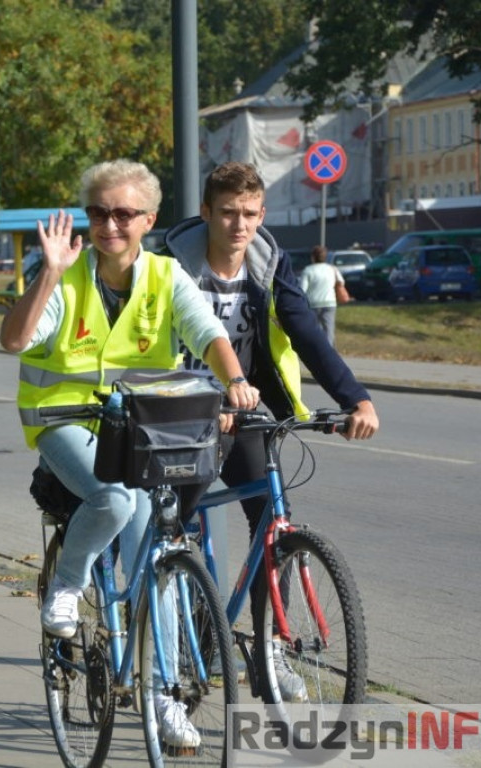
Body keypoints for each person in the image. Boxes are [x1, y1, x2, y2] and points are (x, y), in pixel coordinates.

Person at [0, 160, 259, 747]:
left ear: (148, 220)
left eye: (123, 213)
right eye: (98, 212)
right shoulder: (66, 276)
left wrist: (237, 381)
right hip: (61, 420)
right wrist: (48, 273)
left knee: (155, 562)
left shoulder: (165, 275)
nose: (109, 224)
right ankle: (68, 585)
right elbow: (15, 339)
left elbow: (207, 333)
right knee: (114, 500)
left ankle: (162, 697)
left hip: (137, 426)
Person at [160, 161, 379, 701]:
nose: (239, 225)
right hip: (184, 410)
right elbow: (152, 345)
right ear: (206, 211)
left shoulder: (269, 262)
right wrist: (202, 398)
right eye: (228, 212)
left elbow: (306, 332)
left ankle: (268, 649)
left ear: (262, 214)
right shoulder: (171, 265)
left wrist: (355, 399)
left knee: (270, 525)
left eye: (250, 213)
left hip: (246, 408)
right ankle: (175, 644)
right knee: (173, 528)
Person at [299, 244, 344, 345]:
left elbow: (302, 289)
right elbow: (341, 282)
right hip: (330, 303)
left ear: (313, 257)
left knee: (314, 330)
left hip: (313, 304)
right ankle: (329, 349)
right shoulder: (332, 269)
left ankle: (316, 349)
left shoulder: (308, 270)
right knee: (329, 329)